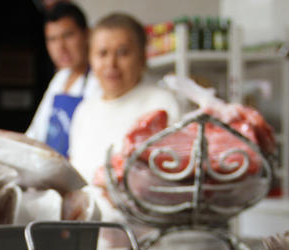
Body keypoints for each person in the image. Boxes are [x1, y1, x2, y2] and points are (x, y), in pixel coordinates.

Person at [68, 12, 180, 186]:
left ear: (142, 57)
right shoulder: (85, 109)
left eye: (122, 53)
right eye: (102, 53)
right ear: (90, 58)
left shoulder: (162, 104)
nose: (111, 64)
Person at [26, 2, 100, 156]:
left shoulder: (99, 79)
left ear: (86, 34)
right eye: (52, 39)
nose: (61, 47)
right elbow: (35, 133)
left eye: (68, 35)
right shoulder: (60, 78)